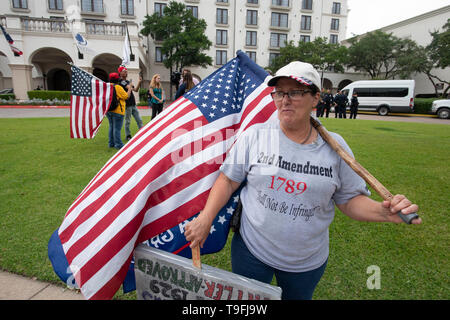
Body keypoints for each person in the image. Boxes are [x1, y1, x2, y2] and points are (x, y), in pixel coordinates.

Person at [184, 61, 421, 300]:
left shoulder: (335, 149)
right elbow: (228, 180)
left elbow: (349, 199)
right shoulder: (256, 136)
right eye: (279, 92)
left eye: (295, 92)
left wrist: (383, 212)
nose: (285, 99)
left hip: (306, 262)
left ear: (316, 98)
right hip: (251, 251)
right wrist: (206, 218)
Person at [106, 72, 132, 150]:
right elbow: (126, 96)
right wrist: (130, 88)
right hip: (118, 111)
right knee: (117, 128)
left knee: (111, 126)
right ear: (117, 79)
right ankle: (118, 144)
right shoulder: (118, 87)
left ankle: (111, 143)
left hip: (108, 110)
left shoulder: (106, 86)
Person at [118, 66, 143, 141]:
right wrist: (131, 86)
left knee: (139, 120)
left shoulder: (128, 81)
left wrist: (139, 82)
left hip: (133, 103)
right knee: (128, 121)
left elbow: (135, 90)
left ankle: (142, 133)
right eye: (123, 71)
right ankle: (128, 135)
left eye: (126, 71)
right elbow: (129, 87)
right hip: (127, 104)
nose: (125, 72)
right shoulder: (120, 81)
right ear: (120, 73)